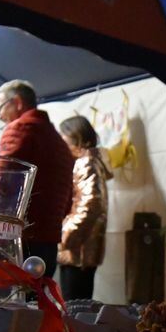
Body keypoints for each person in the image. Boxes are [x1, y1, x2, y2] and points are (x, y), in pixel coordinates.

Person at [0, 80, 74, 278]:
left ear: (18, 102)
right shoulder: (59, 141)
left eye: (1, 107)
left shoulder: (19, 130)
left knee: (8, 304)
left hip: (19, 239)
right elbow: (68, 197)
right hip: (49, 241)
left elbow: (2, 184)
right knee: (38, 304)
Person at [57, 115, 112, 300]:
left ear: (76, 136)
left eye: (63, 137)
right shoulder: (89, 162)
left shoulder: (86, 163)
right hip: (81, 248)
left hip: (78, 249)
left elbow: (91, 205)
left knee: (74, 307)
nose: (61, 142)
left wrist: (65, 237)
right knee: (78, 305)